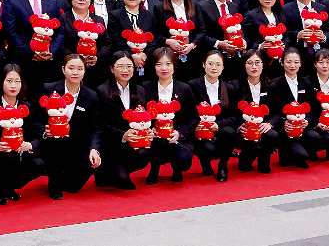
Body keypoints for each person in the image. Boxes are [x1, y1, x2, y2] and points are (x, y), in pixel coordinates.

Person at [38, 54, 102, 200]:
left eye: (80, 69)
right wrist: (44, 131)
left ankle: (63, 176)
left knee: (73, 187)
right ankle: (53, 179)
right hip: (53, 144)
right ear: (63, 69)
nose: (75, 72)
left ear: (84, 71)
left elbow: (96, 127)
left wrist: (94, 149)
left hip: (77, 145)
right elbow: (36, 118)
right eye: (71, 68)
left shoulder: (91, 96)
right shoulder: (49, 89)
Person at [0, 64, 44, 205]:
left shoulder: (26, 107)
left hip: (21, 153)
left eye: (17, 81)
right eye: (9, 81)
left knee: (38, 164)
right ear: (1, 82)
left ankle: (10, 186)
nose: (13, 85)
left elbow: (36, 134)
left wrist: (30, 145)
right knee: (9, 157)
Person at [1, 0, 64, 83]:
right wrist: (31, 53)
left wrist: (51, 51)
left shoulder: (52, 1)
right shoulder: (11, 0)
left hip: (47, 63)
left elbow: (60, 30)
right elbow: (10, 32)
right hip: (21, 62)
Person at [94, 51, 150, 189]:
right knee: (122, 181)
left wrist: (148, 131)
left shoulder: (140, 91)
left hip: (132, 144)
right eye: (120, 66)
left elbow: (147, 117)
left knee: (145, 153)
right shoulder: (102, 91)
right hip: (111, 144)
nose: (125, 70)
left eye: (129, 66)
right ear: (112, 69)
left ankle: (119, 171)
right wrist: (123, 135)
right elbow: (100, 124)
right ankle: (106, 171)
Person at [141, 47, 197, 183]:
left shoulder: (184, 88)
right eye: (159, 64)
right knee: (157, 144)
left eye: (168, 64)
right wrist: (148, 129)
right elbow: (141, 114)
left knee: (184, 160)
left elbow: (194, 117)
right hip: (155, 138)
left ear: (174, 65)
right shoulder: (146, 87)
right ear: (154, 67)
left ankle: (177, 168)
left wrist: (180, 133)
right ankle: (154, 168)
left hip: (178, 137)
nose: (164, 68)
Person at [267, 47, 323, 167]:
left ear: (301, 63)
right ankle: (289, 151)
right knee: (292, 160)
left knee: (316, 138)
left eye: (296, 62)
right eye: (289, 62)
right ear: (282, 63)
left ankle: (304, 150)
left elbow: (313, 109)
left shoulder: (306, 83)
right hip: (284, 130)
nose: (292, 65)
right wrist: (284, 122)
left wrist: (307, 121)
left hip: (302, 128)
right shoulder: (274, 85)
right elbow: (273, 111)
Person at [188, 50, 239, 180]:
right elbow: (188, 112)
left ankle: (223, 165)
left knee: (230, 133)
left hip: (220, 129)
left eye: (218, 64)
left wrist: (218, 125)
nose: (214, 67)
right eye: (210, 64)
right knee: (208, 149)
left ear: (223, 67)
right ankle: (205, 162)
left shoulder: (229, 88)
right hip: (201, 131)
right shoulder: (192, 85)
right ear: (203, 64)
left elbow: (233, 116)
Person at [228, 50, 278, 173]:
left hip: (262, 127)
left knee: (272, 135)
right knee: (244, 168)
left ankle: (264, 160)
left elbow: (277, 111)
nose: (254, 67)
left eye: (257, 63)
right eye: (250, 63)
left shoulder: (271, 86)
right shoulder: (236, 86)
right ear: (244, 65)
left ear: (263, 65)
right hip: (245, 129)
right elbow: (232, 112)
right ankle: (246, 156)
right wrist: (239, 127)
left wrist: (270, 123)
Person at [58, 0, 108, 86]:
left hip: (95, 71)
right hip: (70, 70)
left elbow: (107, 44)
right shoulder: (62, 19)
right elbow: (59, 44)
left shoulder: (98, 20)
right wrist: (76, 58)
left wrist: (97, 57)